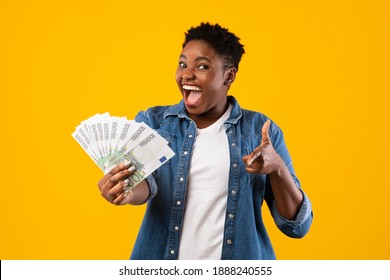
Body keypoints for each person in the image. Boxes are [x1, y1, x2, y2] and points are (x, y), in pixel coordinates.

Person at [97, 22, 313, 260]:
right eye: (182, 64)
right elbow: (145, 184)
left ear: (228, 76)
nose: (187, 74)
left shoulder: (259, 132)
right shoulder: (154, 123)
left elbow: (297, 226)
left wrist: (278, 169)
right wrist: (125, 191)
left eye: (202, 66)